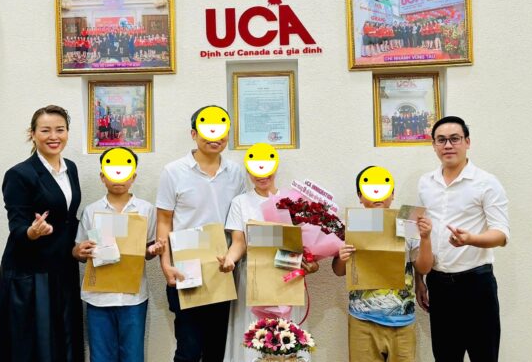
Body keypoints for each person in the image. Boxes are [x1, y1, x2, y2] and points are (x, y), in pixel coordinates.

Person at [0, 105, 84, 362]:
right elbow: (17, 227)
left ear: (67, 133)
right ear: (32, 134)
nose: (54, 136)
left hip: (63, 267)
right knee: (34, 347)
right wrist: (32, 232)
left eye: (60, 130)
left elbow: (68, 219)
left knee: (65, 339)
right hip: (31, 274)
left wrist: (80, 244)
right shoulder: (19, 174)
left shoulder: (71, 168)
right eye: (45, 130)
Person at [156, 106, 247, 362]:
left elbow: (239, 225)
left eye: (221, 131)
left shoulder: (236, 173)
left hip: (222, 270)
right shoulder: (173, 171)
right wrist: (165, 265)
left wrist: (232, 258)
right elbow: (164, 221)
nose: (215, 137)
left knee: (216, 351)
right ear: (194, 134)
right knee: (188, 350)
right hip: (185, 269)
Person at [416, 116, 509, 362]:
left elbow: (501, 234)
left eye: (454, 139)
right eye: (441, 140)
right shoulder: (425, 183)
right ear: (434, 146)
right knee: (445, 357)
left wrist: (471, 239)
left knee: (484, 356)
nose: (448, 145)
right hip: (439, 285)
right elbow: (420, 233)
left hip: (477, 284)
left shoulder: (486, 182)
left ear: (467, 142)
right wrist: (419, 279)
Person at [219, 149, 319, 362]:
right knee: (255, 337)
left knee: (287, 339)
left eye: (267, 170)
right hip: (253, 279)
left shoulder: (293, 201)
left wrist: (312, 262)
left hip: (287, 278)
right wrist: (229, 259)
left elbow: (307, 244)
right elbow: (239, 242)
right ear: (248, 171)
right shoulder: (240, 202)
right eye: (255, 171)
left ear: (276, 168)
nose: (262, 176)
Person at [332, 166, 433, 362]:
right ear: (360, 196)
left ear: (392, 194)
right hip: (362, 318)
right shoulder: (351, 223)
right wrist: (342, 258)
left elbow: (423, 267)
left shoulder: (407, 221)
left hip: (403, 319)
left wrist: (426, 238)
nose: (377, 193)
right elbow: (338, 271)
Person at [73, 147, 165, 362]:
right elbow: (78, 251)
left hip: (133, 297)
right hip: (98, 298)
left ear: (133, 176)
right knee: (100, 356)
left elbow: (148, 251)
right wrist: (79, 251)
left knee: (133, 355)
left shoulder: (145, 210)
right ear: (102, 176)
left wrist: (153, 251)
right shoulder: (91, 210)